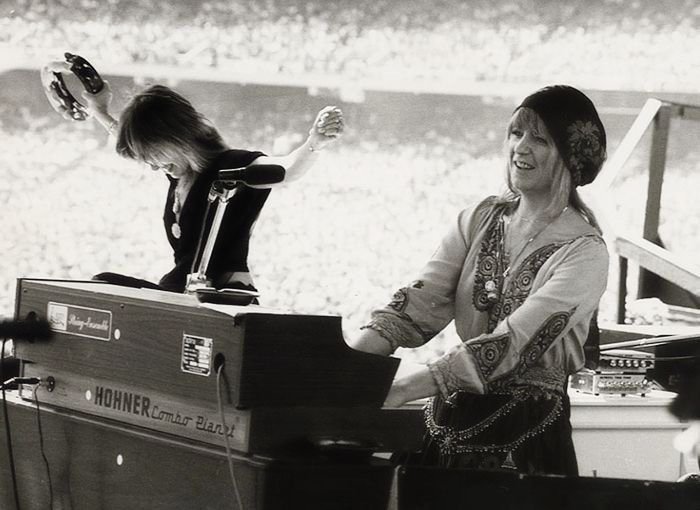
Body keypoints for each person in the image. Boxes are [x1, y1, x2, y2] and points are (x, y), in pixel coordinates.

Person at [349, 85, 609, 476]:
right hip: (449, 419)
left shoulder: (585, 251)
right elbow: (416, 306)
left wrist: (401, 390)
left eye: (538, 139)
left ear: (571, 158)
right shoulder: (479, 218)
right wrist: (346, 369)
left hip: (528, 438)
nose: (520, 147)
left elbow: (515, 342)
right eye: (516, 133)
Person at [43, 61, 343, 294]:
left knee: (105, 283)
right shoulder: (179, 174)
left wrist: (315, 141)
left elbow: (287, 170)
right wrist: (100, 110)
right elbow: (131, 144)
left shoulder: (231, 168)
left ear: (176, 139)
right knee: (103, 284)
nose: (151, 167)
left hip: (219, 296)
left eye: (155, 157)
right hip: (179, 291)